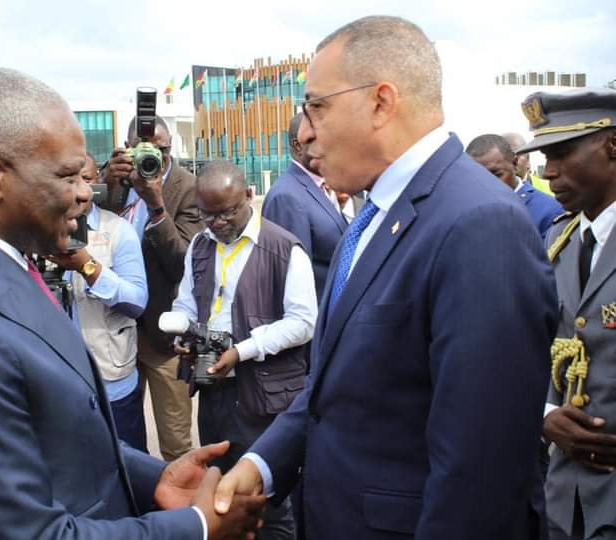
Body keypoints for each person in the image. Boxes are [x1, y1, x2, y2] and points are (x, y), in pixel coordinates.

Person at [0, 68, 264, 540]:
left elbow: (63, 434)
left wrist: (154, 477)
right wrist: (196, 527)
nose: (85, 193)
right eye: (68, 176)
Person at [214, 16, 558, 540]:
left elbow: (479, 474)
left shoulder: (479, 225)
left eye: (316, 107)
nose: (304, 133)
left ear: (381, 102)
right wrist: (261, 466)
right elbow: (331, 389)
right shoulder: (374, 214)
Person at [172, 160, 317, 539]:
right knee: (219, 488)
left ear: (249, 196)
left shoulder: (284, 249)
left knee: (267, 500)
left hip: (263, 396)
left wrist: (243, 351)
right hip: (213, 389)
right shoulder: (200, 246)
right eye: (207, 214)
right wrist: (184, 333)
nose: (217, 223)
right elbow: (186, 304)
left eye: (227, 212)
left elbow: (304, 322)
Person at [516, 89, 616, 540]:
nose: (547, 171)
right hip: (564, 497)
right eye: (542, 157)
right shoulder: (559, 240)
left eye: (560, 153)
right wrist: (544, 416)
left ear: (611, 145)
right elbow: (529, 351)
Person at [101, 116, 204, 461]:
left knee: (176, 443)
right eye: (145, 152)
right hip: (118, 331)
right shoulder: (115, 180)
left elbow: (183, 263)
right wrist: (107, 183)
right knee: (122, 439)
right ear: (127, 150)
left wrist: (156, 205)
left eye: (161, 151)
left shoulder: (188, 187)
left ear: (170, 147)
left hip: (164, 338)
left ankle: (182, 511)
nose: (154, 160)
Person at [51, 152, 149, 453]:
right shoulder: (39, 232)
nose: (80, 188)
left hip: (112, 379)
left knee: (129, 468)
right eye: (70, 179)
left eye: (88, 179)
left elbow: (137, 301)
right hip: (59, 382)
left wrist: (87, 266)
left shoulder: (118, 230)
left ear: (100, 183)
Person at [262, 112, 347, 300]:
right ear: (298, 145)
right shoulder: (286, 197)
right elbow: (292, 278)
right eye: (319, 138)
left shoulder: (321, 187)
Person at [467, 133, 563, 239]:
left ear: (515, 164)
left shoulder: (550, 211)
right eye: (479, 177)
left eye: (497, 175)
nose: (488, 184)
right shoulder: (466, 212)